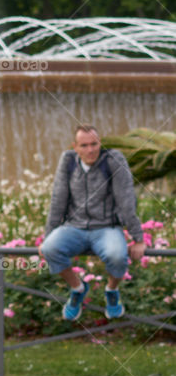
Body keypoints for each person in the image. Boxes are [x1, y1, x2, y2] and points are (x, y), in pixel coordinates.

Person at [40, 123, 145, 320]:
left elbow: (126, 200)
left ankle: (112, 291)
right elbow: (58, 199)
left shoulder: (113, 160)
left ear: (100, 143)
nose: (90, 150)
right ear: (75, 147)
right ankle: (78, 288)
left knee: (117, 255)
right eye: (84, 145)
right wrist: (48, 236)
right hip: (74, 227)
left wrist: (138, 238)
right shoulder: (68, 161)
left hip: (107, 228)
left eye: (94, 144)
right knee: (49, 248)